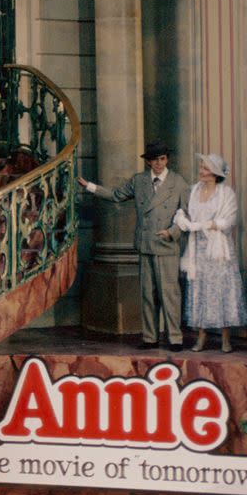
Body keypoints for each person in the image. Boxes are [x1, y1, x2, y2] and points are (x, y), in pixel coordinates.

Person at [79, 140, 189, 350]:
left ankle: (175, 337)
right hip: (145, 244)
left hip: (166, 247)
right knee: (147, 294)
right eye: (154, 160)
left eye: (162, 159)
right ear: (148, 162)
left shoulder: (179, 182)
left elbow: (186, 214)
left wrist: (172, 232)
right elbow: (115, 195)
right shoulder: (139, 181)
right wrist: (90, 187)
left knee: (170, 294)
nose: (159, 163)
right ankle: (150, 337)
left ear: (167, 159)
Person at [174, 153, 247, 353]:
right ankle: (201, 337)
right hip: (197, 248)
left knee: (221, 291)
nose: (201, 171)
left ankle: (226, 339)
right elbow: (183, 211)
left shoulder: (226, 193)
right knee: (199, 291)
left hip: (218, 251)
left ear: (216, 173)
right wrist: (181, 217)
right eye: (201, 167)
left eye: (206, 168)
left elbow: (228, 221)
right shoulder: (193, 190)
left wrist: (205, 224)